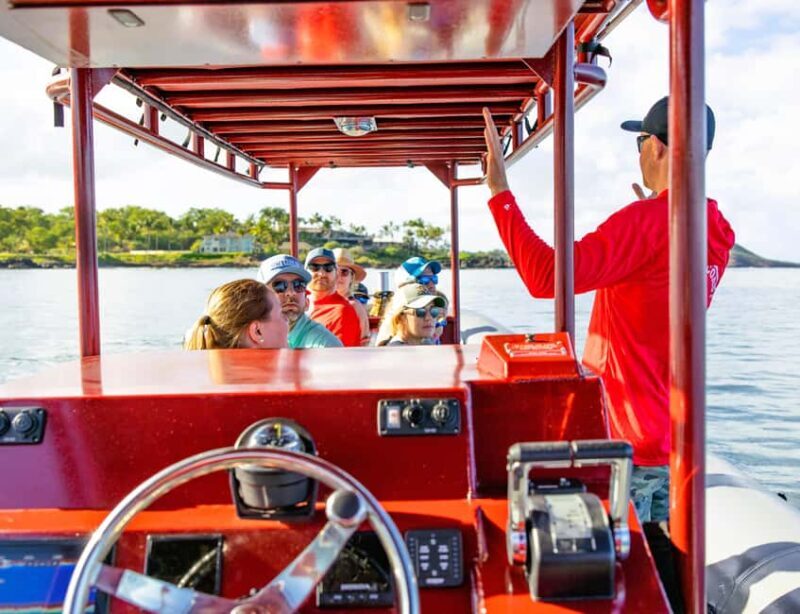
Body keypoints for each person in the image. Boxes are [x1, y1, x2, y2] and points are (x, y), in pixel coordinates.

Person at [482, 98, 735, 523]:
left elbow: (545, 277)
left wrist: (499, 193)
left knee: (623, 572)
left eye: (638, 142)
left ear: (654, 146)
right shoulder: (715, 227)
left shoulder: (647, 222)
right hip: (674, 444)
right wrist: (654, 209)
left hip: (627, 444)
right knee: (664, 570)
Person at [257, 254, 342, 349]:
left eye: (298, 285)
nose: (291, 292)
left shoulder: (325, 345)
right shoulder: (248, 336)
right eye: (279, 285)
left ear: (306, 302)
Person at [185, 279, 288, 350]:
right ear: (257, 331)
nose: (287, 320)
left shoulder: (210, 376)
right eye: (281, 314)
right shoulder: (265, 381)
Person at [305, 247, 362, 347]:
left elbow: (339, 359)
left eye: (328, 268)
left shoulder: (343, 311)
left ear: (336, 274)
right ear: (305, 273)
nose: (321, 273)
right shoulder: (296, 307)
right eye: (314, 267)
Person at [378, 284, 446, 346]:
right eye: (420, 311)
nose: (429, 317)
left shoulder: (425, 346)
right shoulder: (397, 354)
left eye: (433, 310)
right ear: (400, 317)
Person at [333, 248, 371, 346]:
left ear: (351, 277)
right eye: (334, 271)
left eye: (344, 272)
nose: (338, 276)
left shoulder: (355, 307)